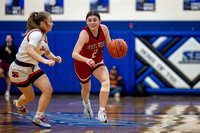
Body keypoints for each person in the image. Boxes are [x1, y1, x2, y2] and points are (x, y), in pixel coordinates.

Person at [9, 11, 62, 128]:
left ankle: (38, 117)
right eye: (50, 22)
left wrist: (54, 58)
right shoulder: (36, 33)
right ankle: (17, 104)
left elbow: (47, 52)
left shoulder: (44, 36)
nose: (52, 24)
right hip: (19, 69)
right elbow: (30, 50)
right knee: (30, 97)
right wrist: (45, 61)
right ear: (43, 24)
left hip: (32, 67)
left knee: (48, 90)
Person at [72, 10, 112, 123]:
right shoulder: (84, 34)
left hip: (97, 61)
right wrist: (86, 59)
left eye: (95, 20)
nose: (92, 22)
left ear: (99, 21)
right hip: (82, 63)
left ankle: (101, 112)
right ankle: (86, 104)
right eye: (89, 20)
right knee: (86, 89)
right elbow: (74, 53)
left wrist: (117, 46)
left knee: (106, 81)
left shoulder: (104, 29)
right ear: (86, 22)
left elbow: (110, 46)